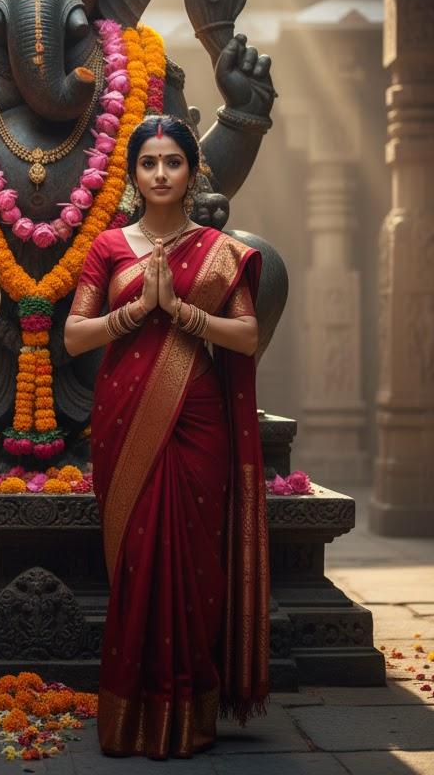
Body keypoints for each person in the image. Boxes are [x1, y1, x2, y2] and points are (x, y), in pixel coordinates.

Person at [64, 115, 269, 759]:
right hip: (125, 413)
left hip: (197, 418)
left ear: (191, 171)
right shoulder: (108, 247)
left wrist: (180, 312)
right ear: (133, 173)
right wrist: (133, 313)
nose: (160, 174)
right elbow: (75, 336)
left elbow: (248, 336)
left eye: (172, 162)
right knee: (137, 556)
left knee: (192, 556)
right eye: (148, 163)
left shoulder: (218, 249)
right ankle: (132, 716)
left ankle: (190, 709)